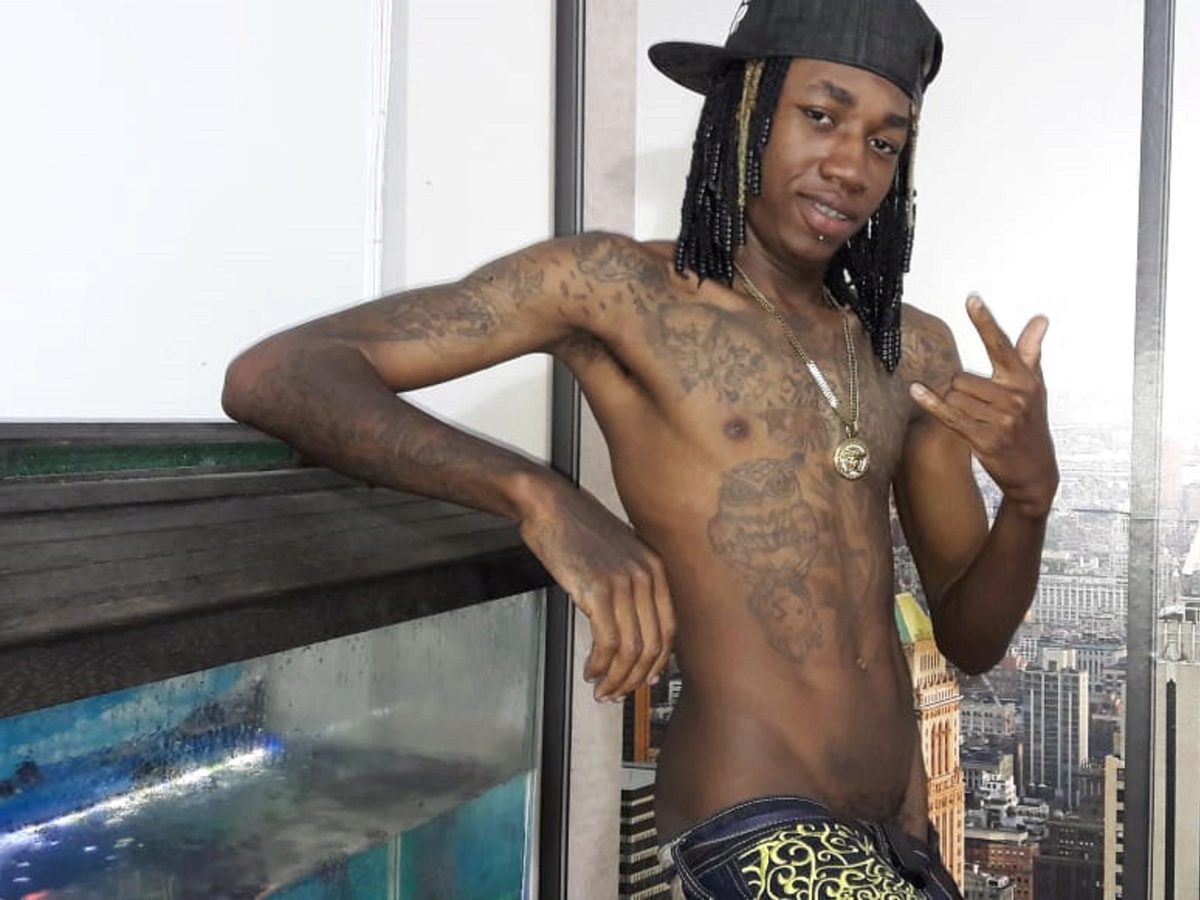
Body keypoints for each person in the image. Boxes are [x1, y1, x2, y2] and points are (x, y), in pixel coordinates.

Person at [222, 0, 1058, 895]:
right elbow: (280, 373)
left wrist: (1030, 498)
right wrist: (540, 497)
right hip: (757, 827)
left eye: (885, 143)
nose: (852, 166)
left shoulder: (910, 350)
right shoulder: (621, 288)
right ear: (742, 111)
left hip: (902, 842)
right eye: (821, 116)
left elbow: (970, 638)